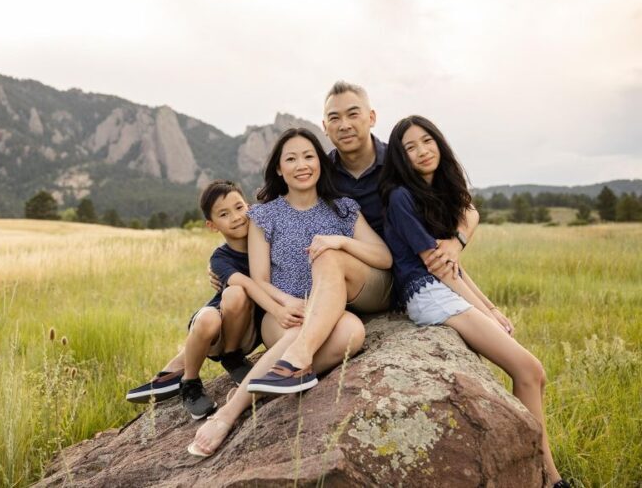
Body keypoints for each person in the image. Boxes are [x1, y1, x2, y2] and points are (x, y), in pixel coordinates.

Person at [237, 82, 480, 393]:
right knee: (329, 274)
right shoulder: (323, 170)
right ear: (325, 127)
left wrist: (456, 241)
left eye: (353, 114)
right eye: (334, 118)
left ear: (372, 117)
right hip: (341, 283)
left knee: (331, 259)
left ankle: (274, 375)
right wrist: (227, 269)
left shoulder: (398, 161)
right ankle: (279, 376)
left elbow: (465, 206)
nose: (345, 124)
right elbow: (279, 217)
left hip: (394, 274)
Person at [378, 115, 570, 488]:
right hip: (426, 294)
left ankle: (546, 475)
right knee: (529, 370)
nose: (421, 151)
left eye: (427, 141)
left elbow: (454, 267)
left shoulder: (438, 194)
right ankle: (550, 479)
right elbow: (440, 270)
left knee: (534, 373)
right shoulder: (402, 197)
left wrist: (492, 307)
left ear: (439, 142)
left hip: (442, 288)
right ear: (400, 158)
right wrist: (486, 312)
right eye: (409, 147)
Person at [188, 128, 392, 455]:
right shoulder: (264, 215)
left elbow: (383, 257)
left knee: (353, 332)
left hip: (332, 312)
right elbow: (261, 279)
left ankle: (277, 376)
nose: (302, 164)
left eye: (309, 156)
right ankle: (231, 411)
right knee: (296, 330)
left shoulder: (343, 209)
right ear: (279, 169)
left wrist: (340, 241)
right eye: (291, 158)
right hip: (283, 314)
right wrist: (287, 303)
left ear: (321, 164)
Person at [126, 180, 285, 420]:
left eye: (239, 207)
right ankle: (189, 381)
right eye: (224, 214)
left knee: (236, 294)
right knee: (232, 295)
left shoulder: (268, 242)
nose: (235, 217)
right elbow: (245, 285)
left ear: (250, 207)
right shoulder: (220, 258)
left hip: (248, 332)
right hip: (217, 330)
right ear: (212, 226)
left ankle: (228, 359)